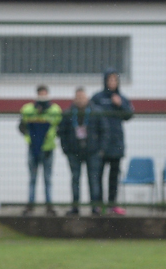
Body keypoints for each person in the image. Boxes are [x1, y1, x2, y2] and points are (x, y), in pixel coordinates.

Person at [58, 87, 107, 216]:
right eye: (78, 97)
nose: (80, 100)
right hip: (74, 152)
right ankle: (75, 207)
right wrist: (65, 149)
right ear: (74, 99)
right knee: (75, 179)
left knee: (93, 179)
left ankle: (94, 207)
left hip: (93, 151)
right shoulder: (68, 113)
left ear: (87, 98)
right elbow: (62, 133)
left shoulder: (96, 112)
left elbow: (104, 131)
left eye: (82, 97)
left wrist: (101, 149)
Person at [90, 70, 134, 215]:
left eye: (115, 80)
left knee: (113, 177)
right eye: (110, 80)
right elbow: (91, 117)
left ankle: (112, 205)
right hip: (101, 145)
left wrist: (120, 104)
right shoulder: (97, 98)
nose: (112, 83)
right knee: (98, 175)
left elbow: (129, 115)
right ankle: (98, 205)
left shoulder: (121, 98)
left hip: (116, 143)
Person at [19, 85, 63, 215]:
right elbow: (22, 126)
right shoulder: (28, 110)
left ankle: (49, 205)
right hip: (33, 148)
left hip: (48, 149)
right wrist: (31, 139)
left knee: (47, 178)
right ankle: (30, 204)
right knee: (33, 178)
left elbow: (58, 128)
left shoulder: (55, 110)